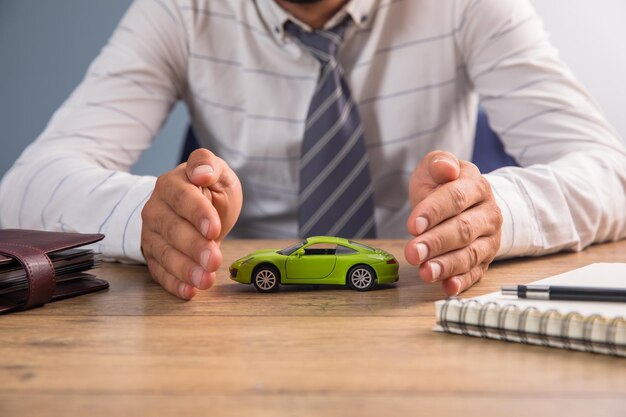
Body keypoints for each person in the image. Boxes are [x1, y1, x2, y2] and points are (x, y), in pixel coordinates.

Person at [1, 0, 625, 300]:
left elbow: (611, 174)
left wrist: (494, 212)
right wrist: (146, 213)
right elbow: (22, 189)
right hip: (227, 325)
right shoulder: (178, 11)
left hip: (417, 302)